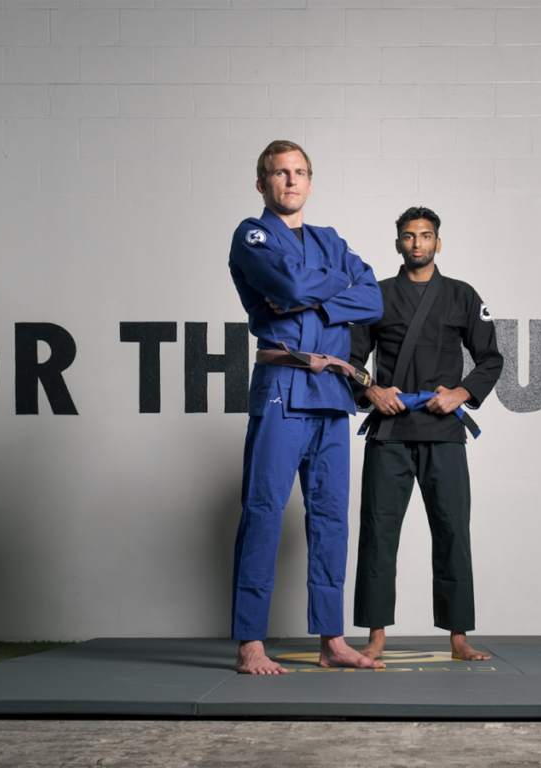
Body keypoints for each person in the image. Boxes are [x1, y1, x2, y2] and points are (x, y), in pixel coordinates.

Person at [228, 140, 385, 674]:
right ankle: (250, 642)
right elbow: (292, 282)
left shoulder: (329, 238)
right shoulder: (252, 234)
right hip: (282, 385)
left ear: (311, 182)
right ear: (262, 184)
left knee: (330, 519)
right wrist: (329, 287)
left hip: (334, 395)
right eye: (279, 173)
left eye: (299, 173)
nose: (290, 181)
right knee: (264, 512)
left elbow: (373, 298)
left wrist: (308, 294)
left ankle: (332, 640)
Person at [349, 206, 504, 662]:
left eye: (426, 235)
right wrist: (372, 391)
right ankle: (376, 635)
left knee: (453, 530)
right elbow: (352, 362)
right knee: (378, 532)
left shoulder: (461, 295)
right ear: (397, 242)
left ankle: (458, 637)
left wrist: (461, 393)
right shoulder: (375, 296)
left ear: (439, 243)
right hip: (390, 433)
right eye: (409, 236)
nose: (418, 243)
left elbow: (490, 358)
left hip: (444, 433)